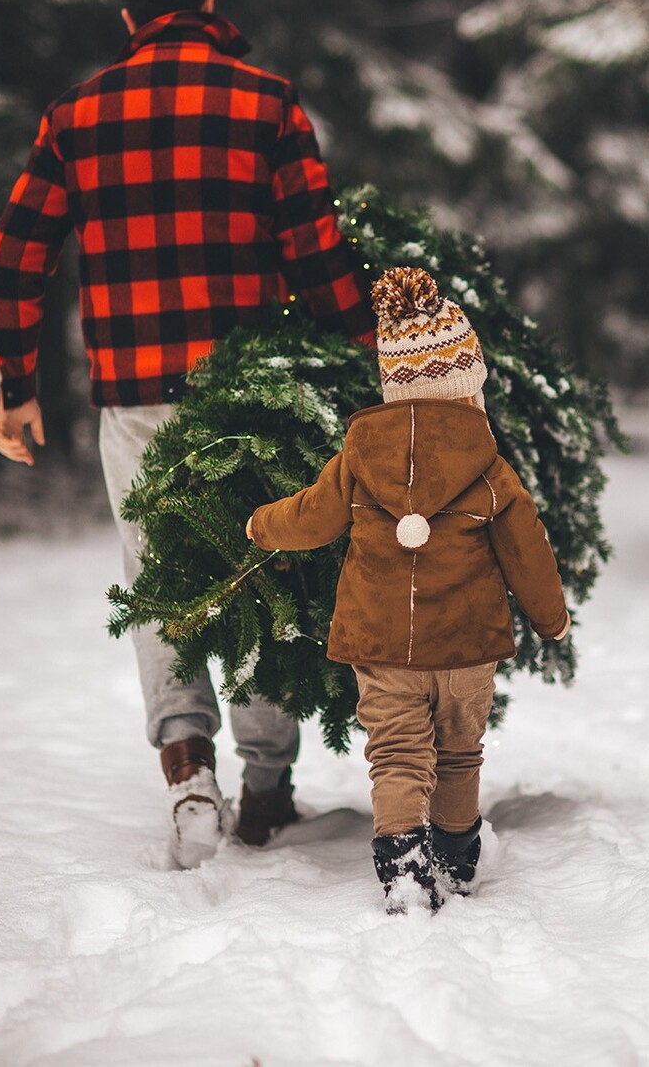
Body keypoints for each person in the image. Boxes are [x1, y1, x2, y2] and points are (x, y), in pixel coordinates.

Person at [0, 0, 375, 867]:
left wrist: (14, 386)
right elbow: (318, 253)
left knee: (160, 582)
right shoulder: (267, 101)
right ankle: (268, 787)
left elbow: (13, 256)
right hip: (252, 396)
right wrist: (375, 356)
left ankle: (188, 776)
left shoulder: (76, 115)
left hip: (137, 400)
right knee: (263, 571)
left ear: (128, 20)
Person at [246, 266, 571, 913]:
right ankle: (456, 851)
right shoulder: (488, 464)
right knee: (458, 752)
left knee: (395, 755)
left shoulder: (361, 455)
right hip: (465, 647)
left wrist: (261, 523)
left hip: (383, 646)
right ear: (466, 382)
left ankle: (402, 868)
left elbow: (312, 515)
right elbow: (526, 545)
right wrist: (551, 620)